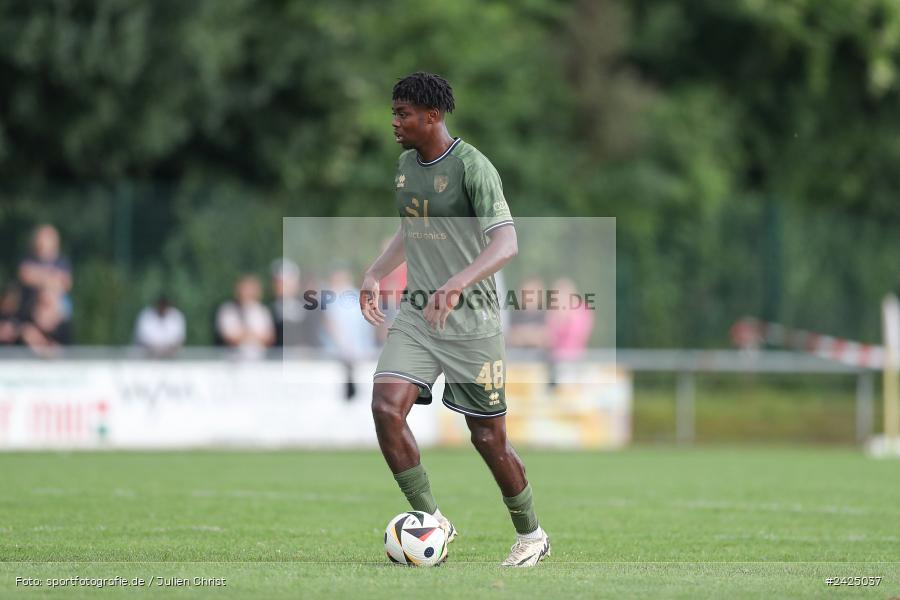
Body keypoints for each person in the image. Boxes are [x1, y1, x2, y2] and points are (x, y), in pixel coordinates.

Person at [359, 72, 549, 567]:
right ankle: (432, 521)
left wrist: (456, 283)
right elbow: (412, 228)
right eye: (394, 112)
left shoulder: (473, 168)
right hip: (420, 318)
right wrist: (376, 271)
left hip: (473, 325)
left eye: (404, 114)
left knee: (488, 438)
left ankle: (532, 535)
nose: (395, 122)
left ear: (433, 116)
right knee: (385, 407)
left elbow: (506, 243)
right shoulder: (405, 166)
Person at [18, 224, 73, 319]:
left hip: (56, 304)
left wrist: (38, 276)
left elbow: (66, 284)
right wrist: (51, 279)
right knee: (45, 296)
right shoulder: (29, 259)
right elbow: (25, 276)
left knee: (49, 296)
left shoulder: (61, 261)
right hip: (32, 302)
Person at [215, 275, 275, 359]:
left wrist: (246, 336)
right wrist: (253, 337)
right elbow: (229, 337)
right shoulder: (228, 310)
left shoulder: (262, 311)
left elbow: (269, 338)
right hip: (232, 360)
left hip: (259, 359)